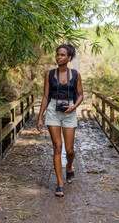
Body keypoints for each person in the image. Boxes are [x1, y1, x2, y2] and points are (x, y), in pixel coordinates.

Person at [37, 44, 83, 197]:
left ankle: (69, 167)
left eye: (62, 55)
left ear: (69, 58)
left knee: (69, 150)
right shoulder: (49, 74)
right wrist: (40, 117)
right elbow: (45, 96)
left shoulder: (75, 74)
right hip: (52, 110)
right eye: (57, 54)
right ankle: (59, 183)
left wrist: (74, 106)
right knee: (57, 146)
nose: (58, 57)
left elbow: (81, 95)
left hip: (70, 110)